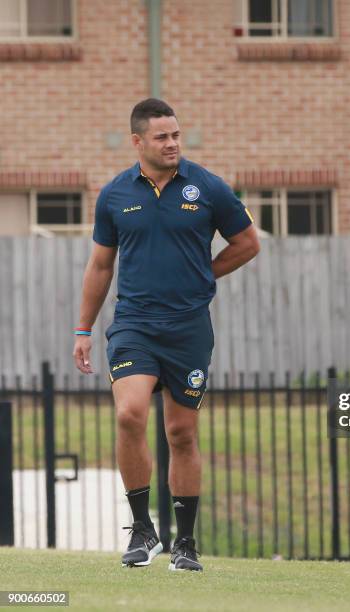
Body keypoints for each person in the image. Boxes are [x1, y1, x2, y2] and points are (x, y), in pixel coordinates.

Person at [73, 98, 259, 572]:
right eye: (162, 136)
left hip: (189, 329)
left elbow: (247, 243)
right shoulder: (115, 194)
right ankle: (142, 530)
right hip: (134, 325)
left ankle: (187, 542)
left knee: (181, 432)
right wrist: (83, 330)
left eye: (176, 134)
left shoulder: (208, 187)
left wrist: (204, 275)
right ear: (138, 141)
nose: (172, 143)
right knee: (130, 414)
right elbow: (99, 265)